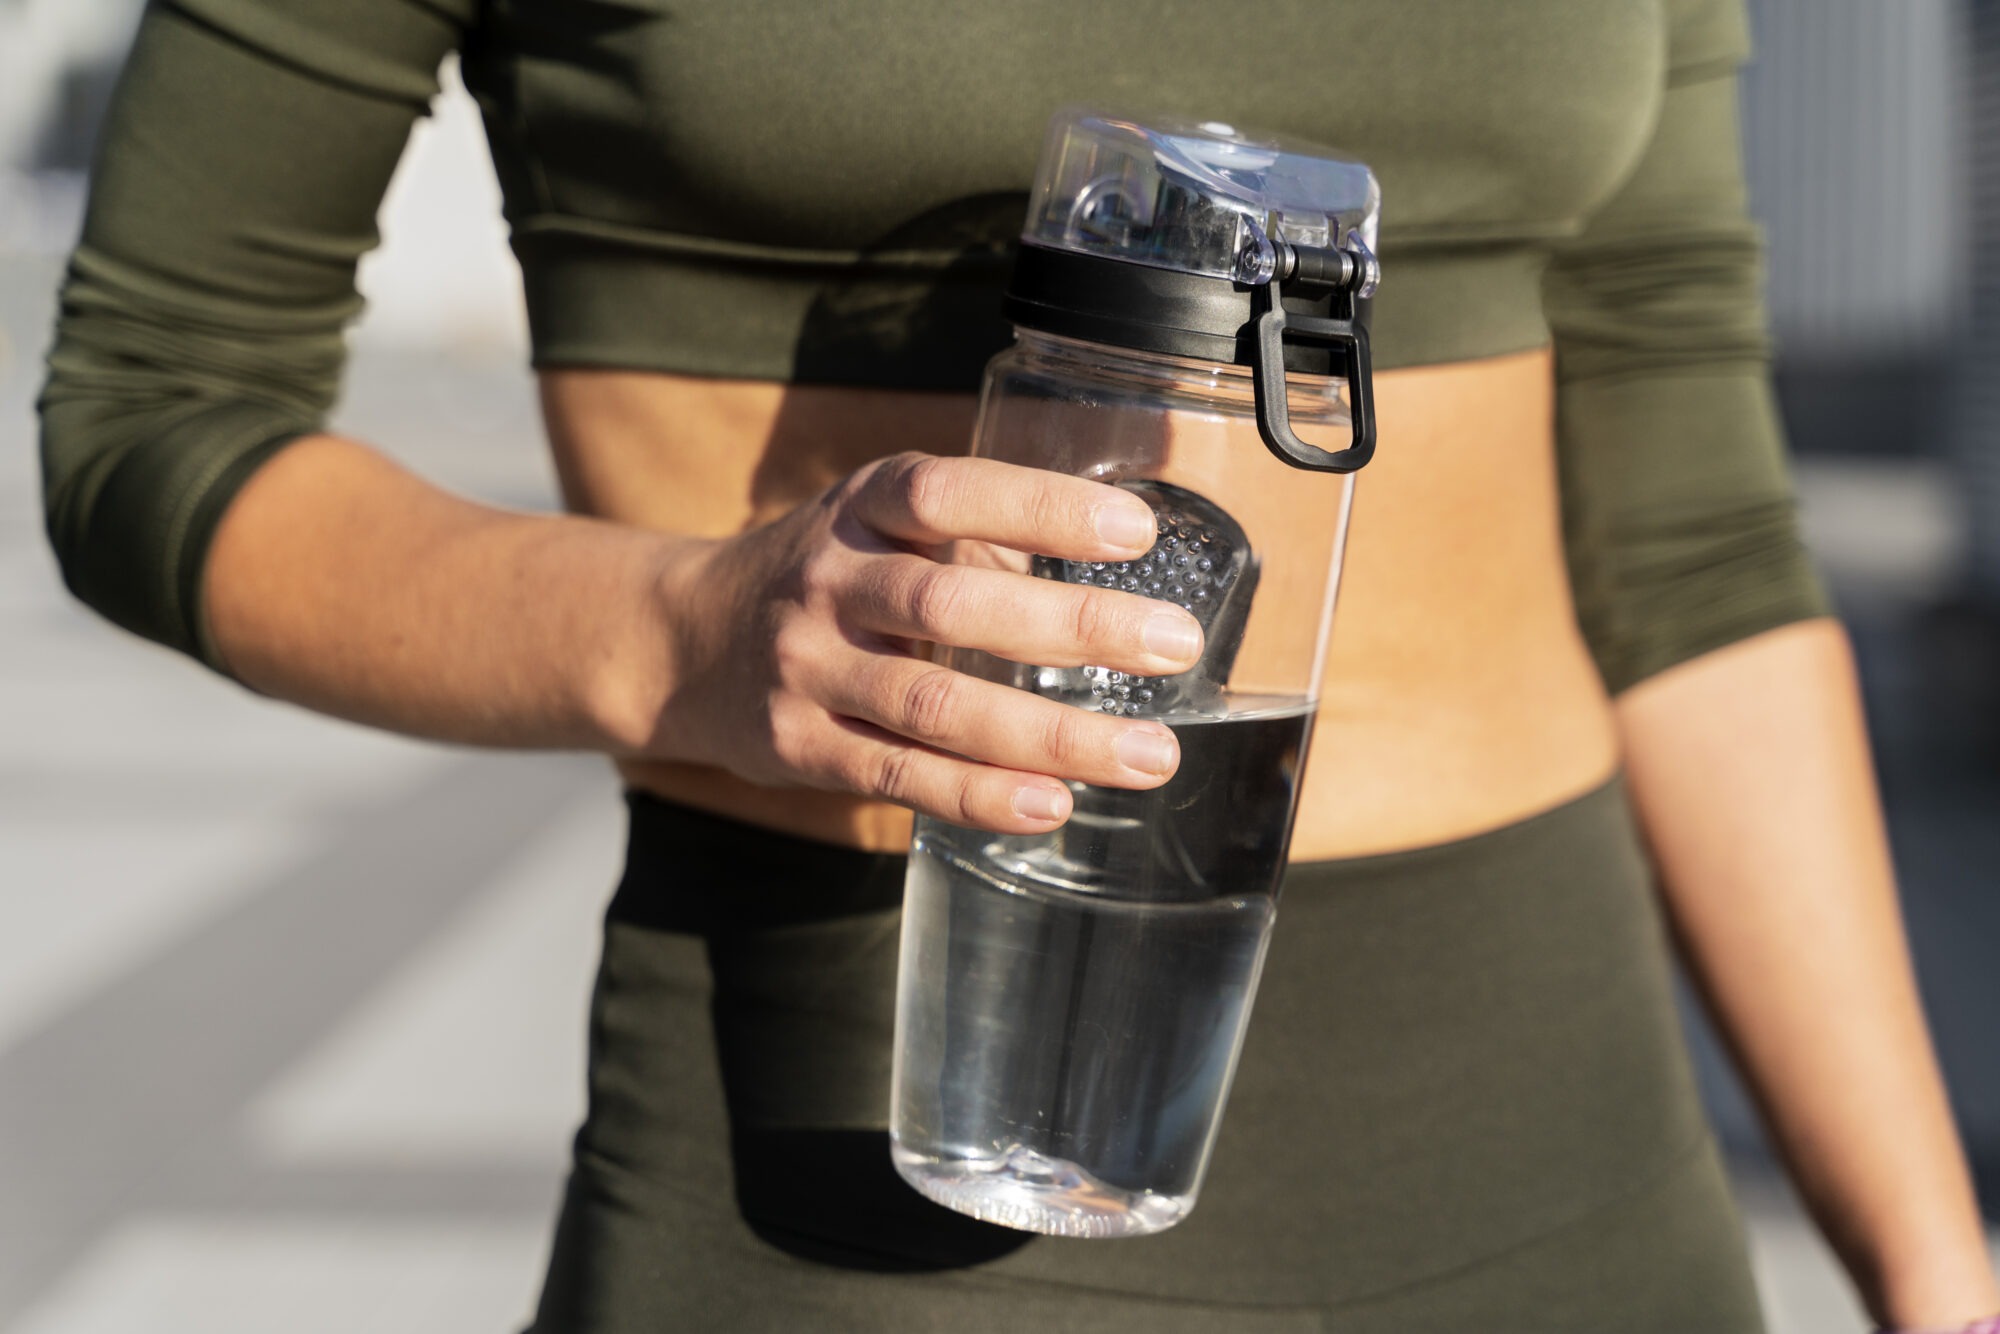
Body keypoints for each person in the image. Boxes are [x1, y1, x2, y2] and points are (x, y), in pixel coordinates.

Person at [37, 1, 2000, 1330]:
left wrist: (1935, 1267)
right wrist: (676, 632)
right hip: (887, 1173)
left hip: (1575, 1169)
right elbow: (154, 410)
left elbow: (1691, 554)